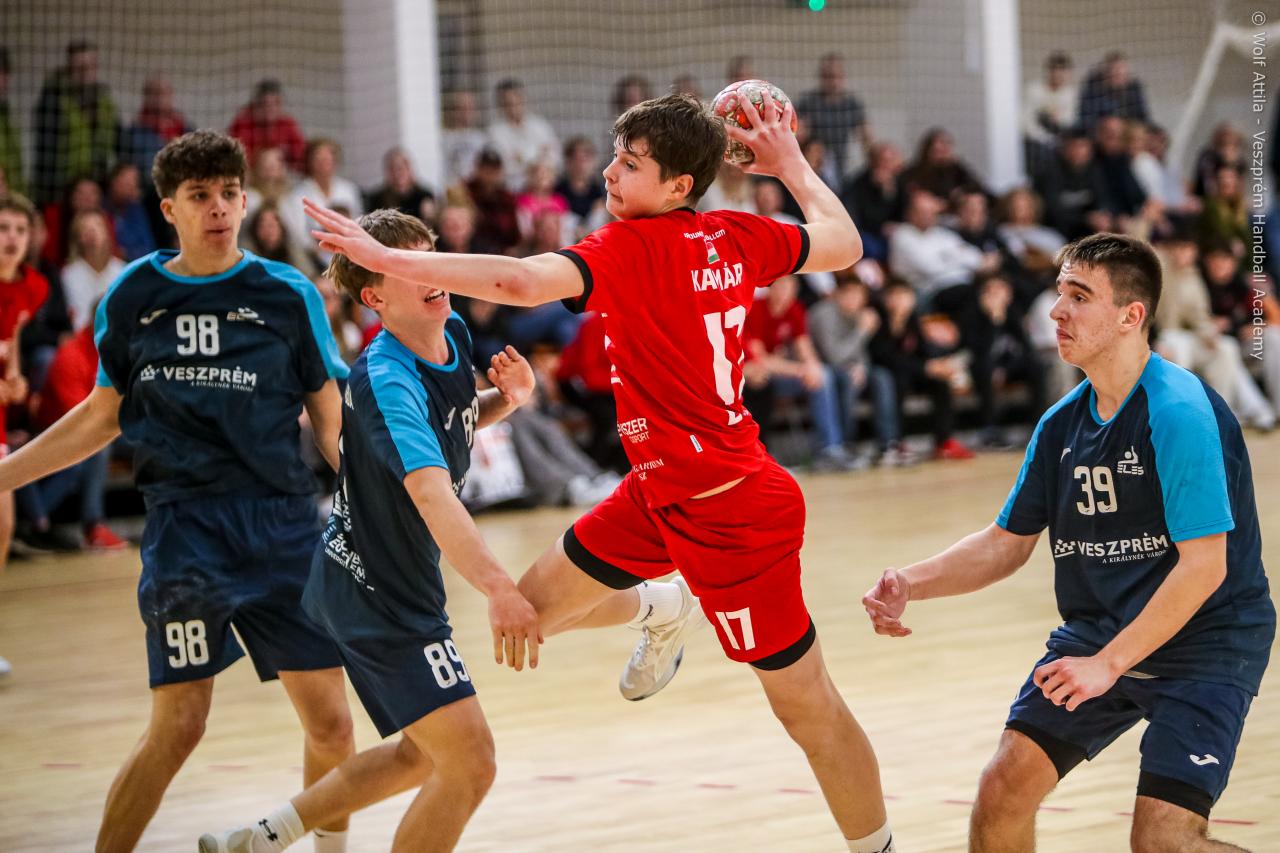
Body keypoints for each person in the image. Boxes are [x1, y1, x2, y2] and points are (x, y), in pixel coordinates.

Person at [306, 91, 898, 852]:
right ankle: (660, 606)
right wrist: (790, 166)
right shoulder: (736, 233)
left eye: (632, 164)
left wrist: (389, 258)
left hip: (732, 512)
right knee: (525, 614)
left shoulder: (634, 247)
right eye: (615, 157)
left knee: (806, 706)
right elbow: (843, 243)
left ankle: (878, 848)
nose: (612, 173)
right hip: (655, 494)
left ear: (678, 186)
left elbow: (519, 283)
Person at [0, 131, 356, 852]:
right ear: (169, 209)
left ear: (245, 200)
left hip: (284, 529)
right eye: (200, 196)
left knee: (332, 723)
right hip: (185, 534)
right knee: (180, 726)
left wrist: (382, 499)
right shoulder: (133, 295)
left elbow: (331, 422)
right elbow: (101, 415)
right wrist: (4, 475)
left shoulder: (288, 294)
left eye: (229, 193)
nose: (219, 207)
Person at [864, 232, 1274, 852]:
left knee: (1163, 842)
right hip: (1099, 632)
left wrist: (1108, 665)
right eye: (1060, 293)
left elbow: (1204, 567)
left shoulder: (1178, 410)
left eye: (1079, 297)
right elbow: (1006, 542)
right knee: (1002, 791)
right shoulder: (1061, 424)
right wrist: (909, 583)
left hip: (1205, 642)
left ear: (1131, 316)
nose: (1057, 310)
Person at [199, 209, 542, 853]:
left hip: (383, 578)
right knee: (471, 763)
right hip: (376, 591)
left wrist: (508, 400)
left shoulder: (450, 328)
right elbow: (432, 493)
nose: (429, 270)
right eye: (403, 264)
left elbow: (450, 427)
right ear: (375, 297)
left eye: (427, 254)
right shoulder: (386, 377)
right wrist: (499, 587)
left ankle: (263, 837)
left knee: (420, 754)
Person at [0, 191, 49, 679]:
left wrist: (14, 378)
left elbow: (9, 335)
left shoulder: (32, 286)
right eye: (2, 229)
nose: (11, 238)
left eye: (19, 229)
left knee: (3, 525)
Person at [32, 40, 120, 205]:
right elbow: (46, 152)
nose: (86, 73)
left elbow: (115, 141)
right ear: (70, 68)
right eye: (80, 68)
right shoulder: (53, 100)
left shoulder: (104, 100)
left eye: (91, 67)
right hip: (62, 190)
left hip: (96, 186)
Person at [228, 79, 307, 174]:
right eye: (265, 104)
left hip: (278, 178)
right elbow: (237, 162)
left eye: (276, 103)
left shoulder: (287, 124)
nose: (271, 109)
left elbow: (301, 159)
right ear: (256, 105)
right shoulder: (242, 125)